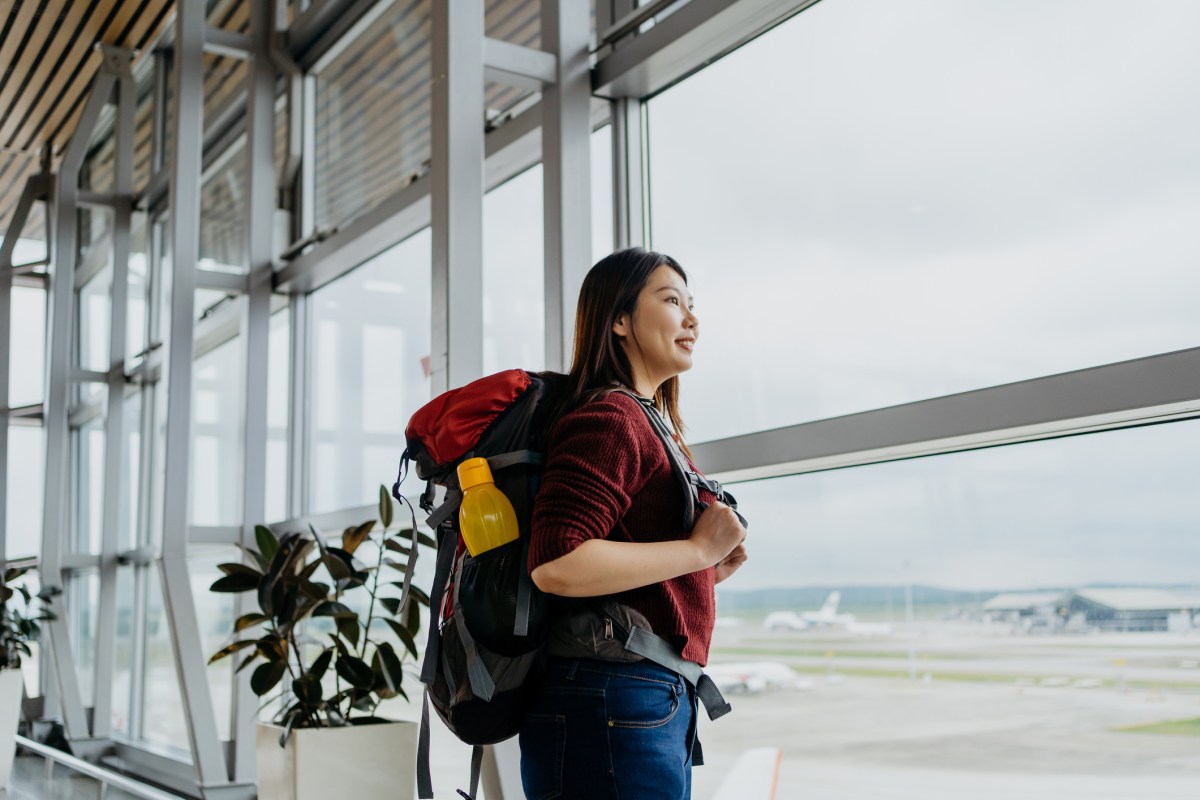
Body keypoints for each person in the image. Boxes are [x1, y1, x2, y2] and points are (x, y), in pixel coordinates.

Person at [520, 247, 749, 800]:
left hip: (635, 695)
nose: (692, 319)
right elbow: (556, 564)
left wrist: (706, 569)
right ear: (619, 320)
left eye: (692, 305)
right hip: (612, 697)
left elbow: (620, 574)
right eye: (672, 301)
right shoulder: (611, 418)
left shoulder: (650, 421)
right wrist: (695, 552)